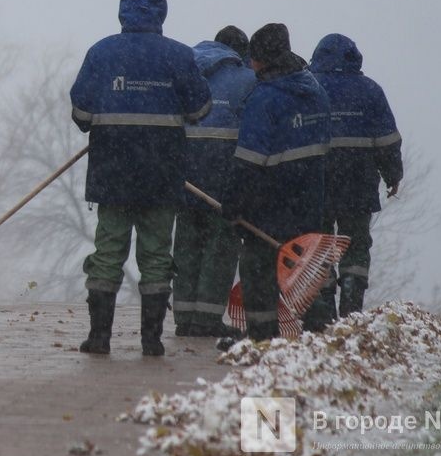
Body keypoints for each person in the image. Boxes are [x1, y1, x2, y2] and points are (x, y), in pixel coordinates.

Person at [69, 0, 211, 356]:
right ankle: (151, 341)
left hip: (111, 173)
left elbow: (81, 112)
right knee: (156, 256)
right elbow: (199, 111)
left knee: (108, 250)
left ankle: (99, 337)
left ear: (122, 11)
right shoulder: (180, 57)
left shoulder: (101, 53)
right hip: (161, 175)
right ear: (163, 13)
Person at [222, 23, 331, 342]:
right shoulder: (314, 92)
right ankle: (323, 332)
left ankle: (262, 339)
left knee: (257, 270)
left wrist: (233, 204)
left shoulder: (265, 99)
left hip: (267, 207)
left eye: (253, 59)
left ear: (262, 60)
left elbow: (249, 162)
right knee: (306, 269)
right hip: (309, 202)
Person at [301, 33, 402, 328]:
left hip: (316, 182)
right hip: (358, 184)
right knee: (356, 244)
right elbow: (387, 141)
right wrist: (392, 175)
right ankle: (351, 304)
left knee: (319, 244)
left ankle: (321, 306)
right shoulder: (370, 91)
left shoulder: (308, 88)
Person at [172, 26, 256, 338]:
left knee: (187, 244)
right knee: (221, 246)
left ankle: (183, 316)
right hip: (224, 177)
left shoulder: (186, 72)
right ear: (241, 54)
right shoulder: (248, 81)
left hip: (185, 176)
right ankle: (206, 319)